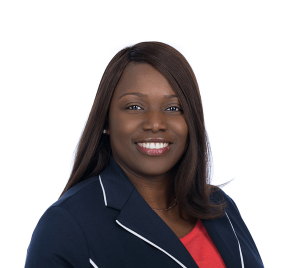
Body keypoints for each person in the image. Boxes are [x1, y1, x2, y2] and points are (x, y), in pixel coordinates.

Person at [25, 42, 264, 268]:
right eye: (134, 107)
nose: (156, 124)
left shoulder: (219, 206)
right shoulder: (66, 224)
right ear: (106, 120)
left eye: (173, 108)